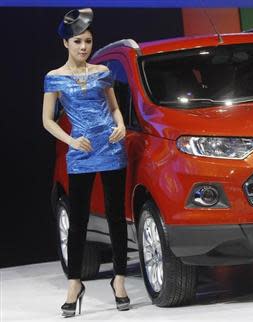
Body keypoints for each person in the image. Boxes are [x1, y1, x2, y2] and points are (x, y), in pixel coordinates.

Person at [42, 8, 130, 317]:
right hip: (80, 151)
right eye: (78, 41)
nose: (84, 47)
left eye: (88, 41)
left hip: (111, 148)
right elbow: (47, 120)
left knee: (116, 217)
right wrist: (70, 141)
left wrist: (119, 126)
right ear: (66, 43)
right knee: (78, 224)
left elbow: (115, 109)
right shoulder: (54, 78)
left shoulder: (102, 72)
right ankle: (74, 284)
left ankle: (119, 280)